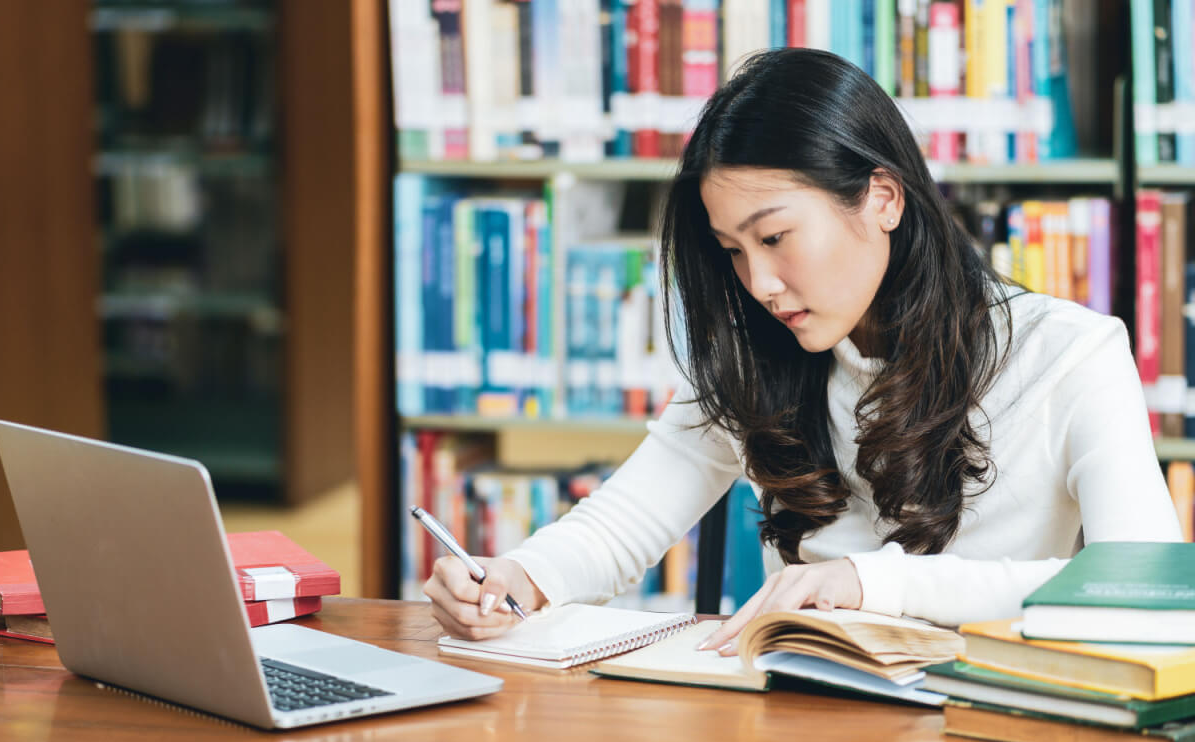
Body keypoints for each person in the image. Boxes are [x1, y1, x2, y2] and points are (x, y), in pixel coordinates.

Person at [423, 48, 1181, 653]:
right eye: (732, 251)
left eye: (776, 237)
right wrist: (519, 578)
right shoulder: (764, 357)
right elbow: (623, 522)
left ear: (882, 198)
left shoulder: (1069, 356)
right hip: (808, 730)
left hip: (994, 730)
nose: (759, 282)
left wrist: (869, 583)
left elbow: (1142, 586)